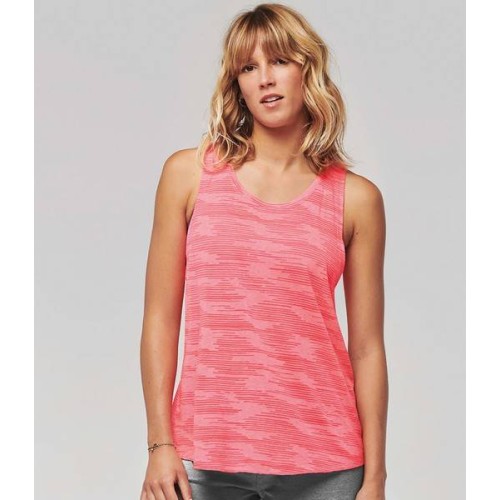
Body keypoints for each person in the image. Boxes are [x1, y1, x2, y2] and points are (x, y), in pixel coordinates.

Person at [139, 3, 388, 500]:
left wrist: (376, 477)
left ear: (307, 69)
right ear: (237, 84)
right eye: (248, 68)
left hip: (326, 462)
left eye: (279, 61)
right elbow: (160, 320)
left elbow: (366, 348)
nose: (265, 79)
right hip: (205, 456)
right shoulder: (189, 176)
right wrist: (160, 444)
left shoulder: (356, 199)